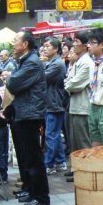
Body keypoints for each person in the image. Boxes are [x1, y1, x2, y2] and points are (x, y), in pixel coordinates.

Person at [6, 31, 50, 205]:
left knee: (34, 157)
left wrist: (8, 78)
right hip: (23, 113)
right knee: (26, 156)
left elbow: (13, 83)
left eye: (16, 41)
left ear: (25, 44)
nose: (12, 43)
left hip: (30, 115)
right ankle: (31, 191)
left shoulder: (32, 62)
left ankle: (41, 197)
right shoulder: (25, 60)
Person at [64, 31, 93, 179]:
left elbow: (74, 84)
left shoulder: (87, 62)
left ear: (85, 45)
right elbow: (69, 81)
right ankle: (78, 170)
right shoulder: (79, 61)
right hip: (75, 106)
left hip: (83, 107)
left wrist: (68, 84)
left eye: (77, 41)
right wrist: (68, 84)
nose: (74, 44)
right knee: (74, 142)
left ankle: (85, 171)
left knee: (83, 142)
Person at [40, 36, 69, 174]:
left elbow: (41, 78)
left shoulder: (57, 64)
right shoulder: (52, 62)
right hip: (51, 103)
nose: (44, 48)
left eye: (47, 46)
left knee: (51, 134)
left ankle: (49, 164)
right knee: (54, 134)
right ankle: (60, 161)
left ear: (56, 49)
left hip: (54, 103)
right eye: (44, 46)